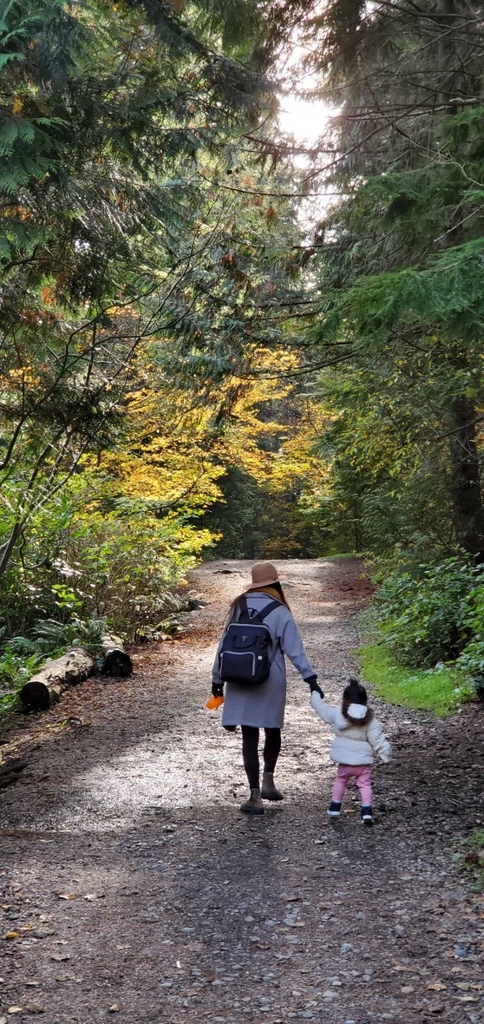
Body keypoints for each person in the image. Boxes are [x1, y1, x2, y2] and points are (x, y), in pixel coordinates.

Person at [211, 561, 323, 815]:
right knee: (272, 730)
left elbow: (223, 646)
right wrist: (311, 679)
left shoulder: (238, 606)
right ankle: (268, 782)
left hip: (239, 677)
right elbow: (295, 650)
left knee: (249, 736)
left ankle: (254, 797)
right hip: (270, 679)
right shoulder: (280, 610)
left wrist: (217, 680)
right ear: (275, 582)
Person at [309, 677, 391, 825]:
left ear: (345, 699)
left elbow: (322, 708)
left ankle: (335, 807)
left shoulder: (337, 713)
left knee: (340, 781)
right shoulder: (370, 719)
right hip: (362, 762)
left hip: (344, 761)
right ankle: (366, 811)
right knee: (365, 785)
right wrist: (385, 754)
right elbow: (377, 739)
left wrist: (315, 693)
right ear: (365, 700)